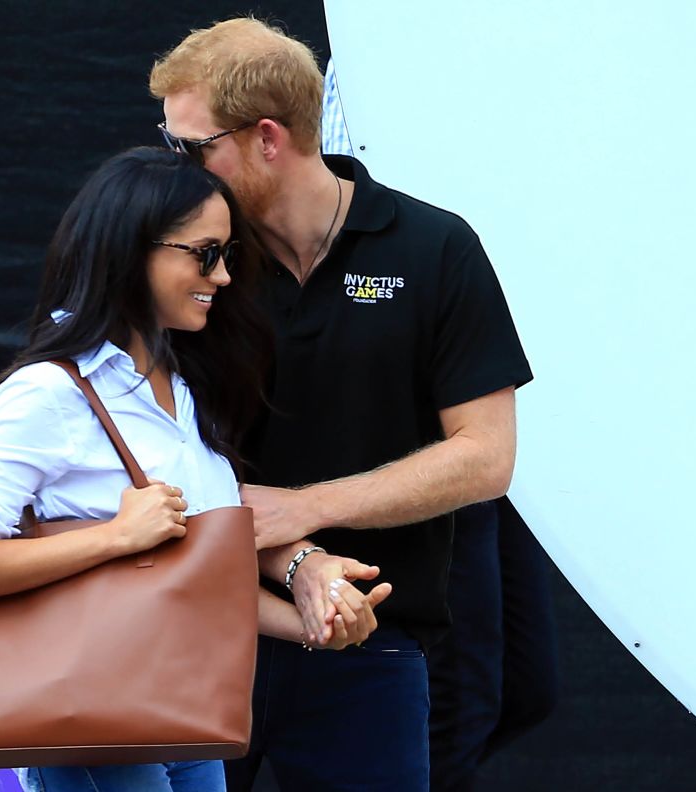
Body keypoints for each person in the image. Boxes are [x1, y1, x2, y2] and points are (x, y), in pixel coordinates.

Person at [0, 146, 390, 792]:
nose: (223, 276)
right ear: (131, 250)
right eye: (205, 253)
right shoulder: (50, 394)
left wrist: (316, 624)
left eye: (227, 255)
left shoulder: (184, 389)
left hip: (182, 716)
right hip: (94, 722)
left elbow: (197, 580)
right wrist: (115, 536)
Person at [150, 19, 535, 792]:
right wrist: (291, 555)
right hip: (207, 624)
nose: (177, 172)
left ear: (268, 138)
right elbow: (138, 438)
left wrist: (306, 508)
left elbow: (486, 457)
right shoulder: (187, 259)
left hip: (372, 636)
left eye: (192, 150)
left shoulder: (430, 248)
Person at [319, 57, 558, 791]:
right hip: (412, 432)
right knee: (449, 703)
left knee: (524, 688)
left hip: (476, 406)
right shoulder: (377, 56)